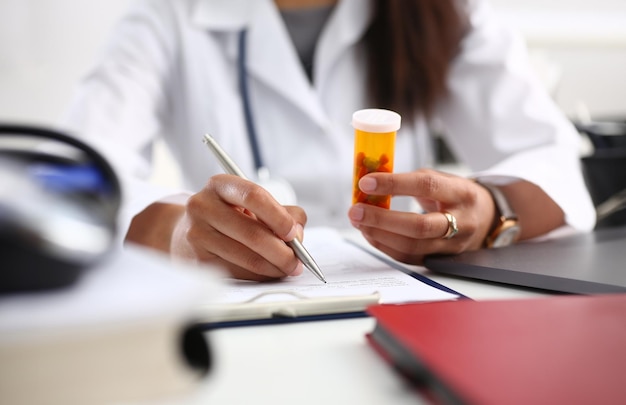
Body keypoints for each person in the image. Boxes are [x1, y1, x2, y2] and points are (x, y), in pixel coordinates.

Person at [62, 0, 596, 281]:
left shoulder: (446, 10)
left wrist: (491, 209)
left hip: (404, 296)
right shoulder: (169, 14)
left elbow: (555, 163)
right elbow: (71, 180)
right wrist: (180, 232)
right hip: (240, 314)